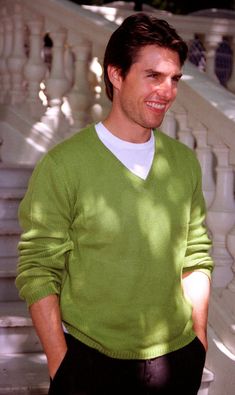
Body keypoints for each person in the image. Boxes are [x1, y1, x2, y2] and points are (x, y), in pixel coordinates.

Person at [16, 13, 213, 395]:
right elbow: (38, 269)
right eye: (153, 76)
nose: (167, 91)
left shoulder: (184, 163)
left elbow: (196, 255)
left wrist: (198, 341)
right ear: (116, 75)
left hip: (176, 361)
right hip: (90, 362)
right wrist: (62, 364)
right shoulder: (63, 166)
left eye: (174, 79)